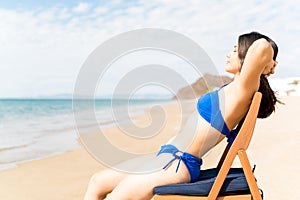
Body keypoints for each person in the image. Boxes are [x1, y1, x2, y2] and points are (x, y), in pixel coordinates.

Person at [83, 32, 279, 200]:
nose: (228, 54)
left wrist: (268, 63)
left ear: (247, 56)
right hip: (164, 157)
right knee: (97, 181)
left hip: (176, 165)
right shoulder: (233, 89)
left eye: (235, 50)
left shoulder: (242, 90)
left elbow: (261, 46)